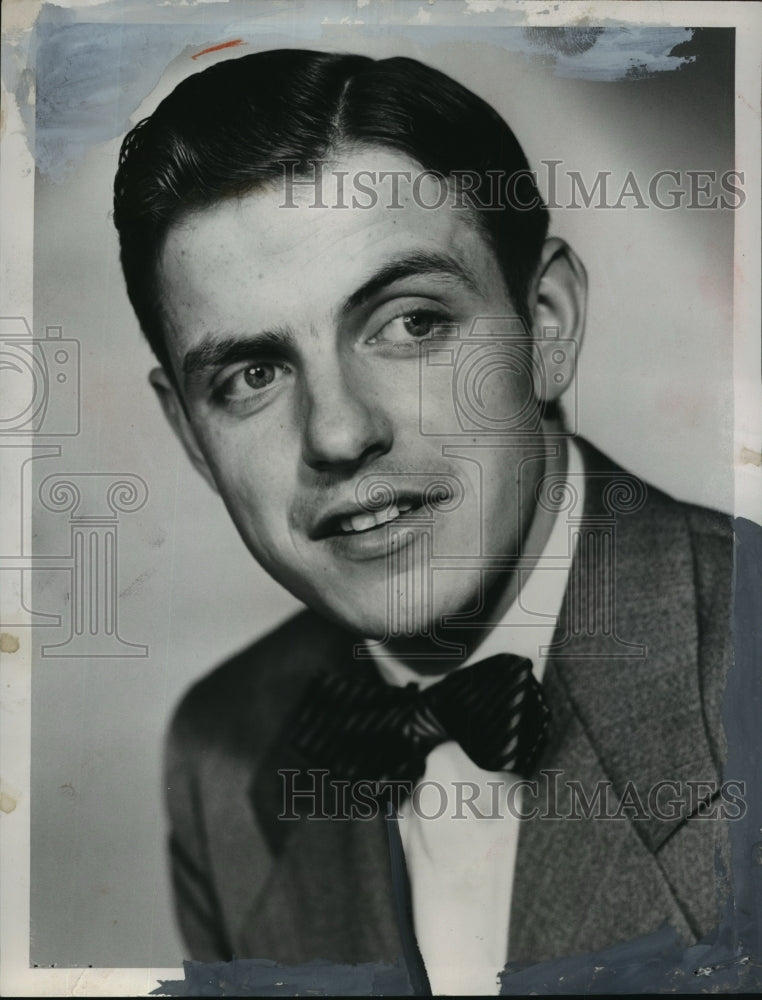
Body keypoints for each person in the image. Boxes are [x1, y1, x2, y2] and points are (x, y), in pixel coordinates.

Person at [112, 49, 733, 995]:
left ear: (548, 325)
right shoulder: (221, 755)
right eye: (252, 375)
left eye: (410, 324)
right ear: (192, 437)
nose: (340, 430)